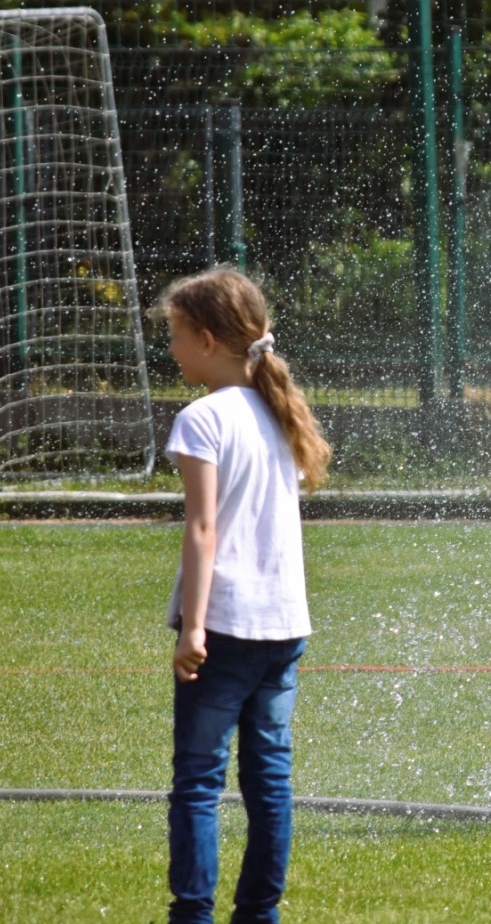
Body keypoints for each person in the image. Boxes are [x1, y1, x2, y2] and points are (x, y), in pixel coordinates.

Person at [156, 268, 331, 924]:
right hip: (284, 624)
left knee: (198, 782)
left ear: (206, 339)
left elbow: (203, 530)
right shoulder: (279, 409)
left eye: (175, 337)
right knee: (269, 781)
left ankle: (192, 915)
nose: (171, 351)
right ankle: (260, 915)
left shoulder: (202, 419)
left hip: (224, 627)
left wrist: (192, 627)